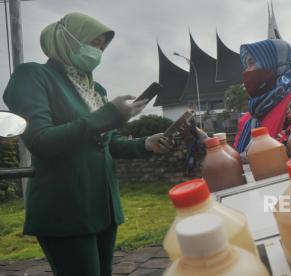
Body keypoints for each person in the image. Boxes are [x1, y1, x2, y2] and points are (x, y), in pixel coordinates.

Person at [2, 13, 173, 276]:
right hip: (66, 210)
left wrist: (145, 144)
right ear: (66, 39)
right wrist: (109, 115)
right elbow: (40, 140)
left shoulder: (96, 89)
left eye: (102, 47)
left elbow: (108, 143)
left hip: (102, 208)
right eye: (92, 42)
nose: (97, 51)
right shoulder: (33, 76)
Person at [234, 39, 291, 153]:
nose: (246, 71)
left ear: (272, 63)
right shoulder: (248, 118)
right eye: (246, 66)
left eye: (251, 63)